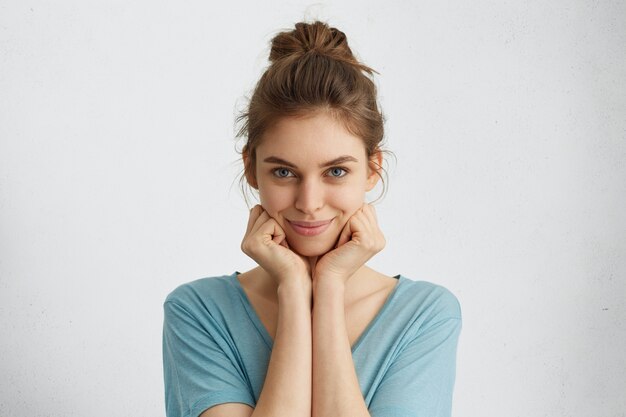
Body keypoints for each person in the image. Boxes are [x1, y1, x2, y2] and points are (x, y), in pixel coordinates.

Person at [162, 20, 462, 417]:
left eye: (336, 171)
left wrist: (330, 286)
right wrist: (292, 289)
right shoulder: (197, 312)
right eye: (283, 172)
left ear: (372, 169)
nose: (309, 203)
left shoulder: (426, 316)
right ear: (251, 169)